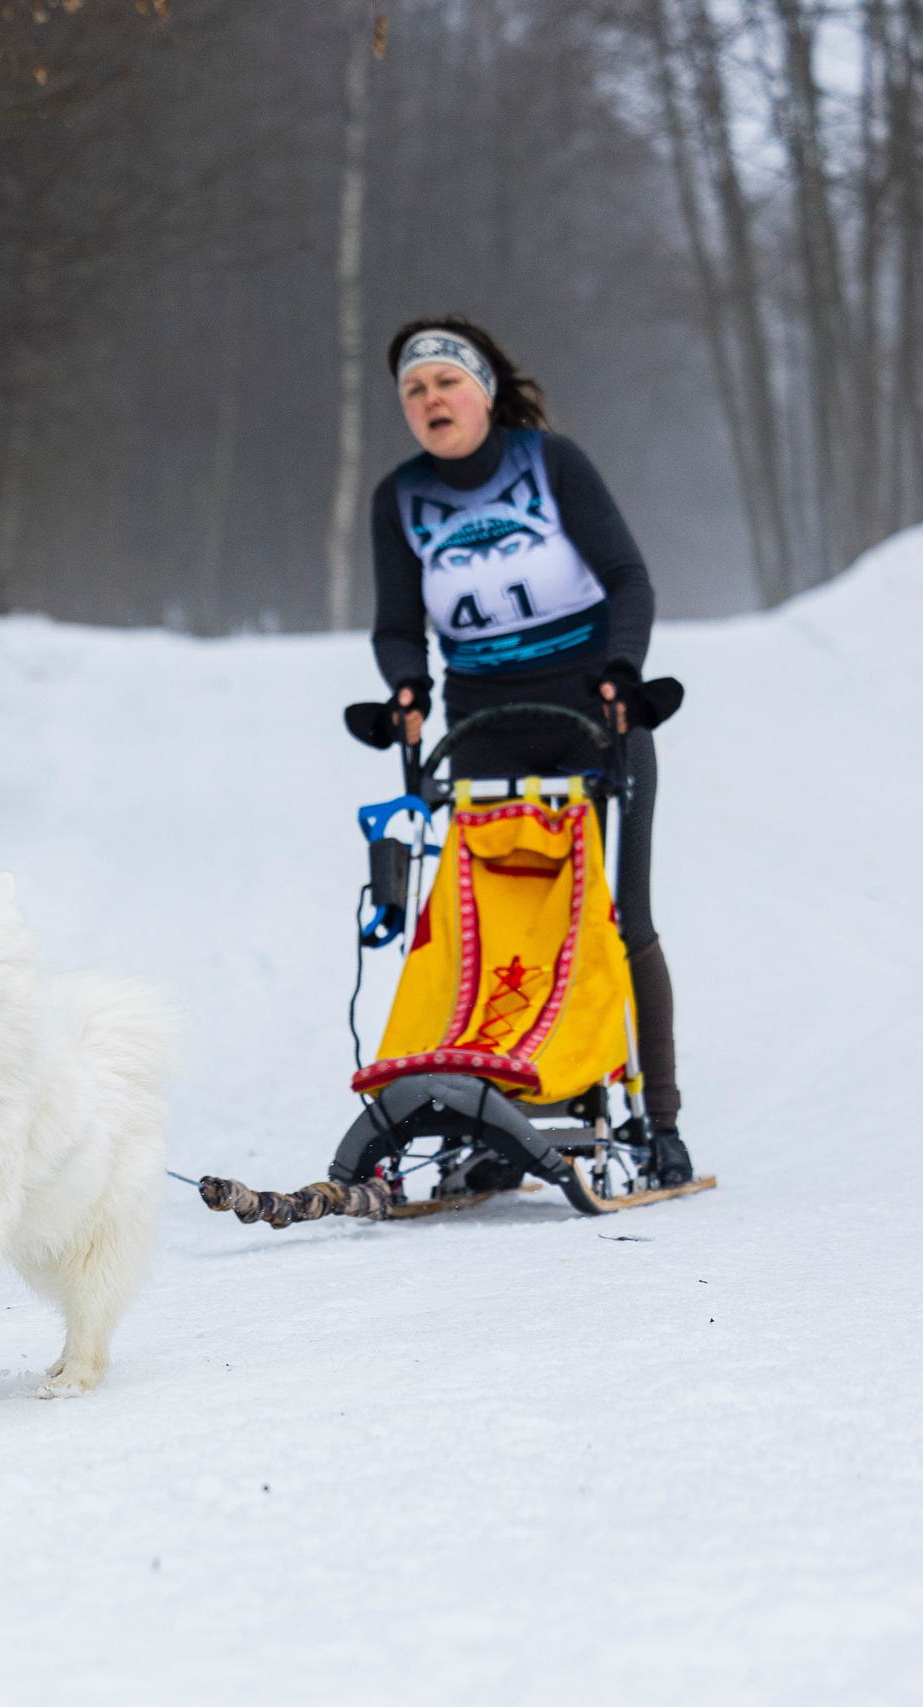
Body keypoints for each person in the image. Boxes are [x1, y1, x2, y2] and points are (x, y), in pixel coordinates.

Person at [366, 317, 691, 1187]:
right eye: (414, 390)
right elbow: (400, 625)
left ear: (484, 391)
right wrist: (408, 691)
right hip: (481, 734)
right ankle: (489, 1110)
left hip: (593, 717)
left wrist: (624, 673)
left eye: (446, 383)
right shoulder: (399, 498)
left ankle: (657, 1118)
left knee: (620, 918)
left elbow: (629, 578)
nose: (432, 400)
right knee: (482, 931)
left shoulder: (551, 466)